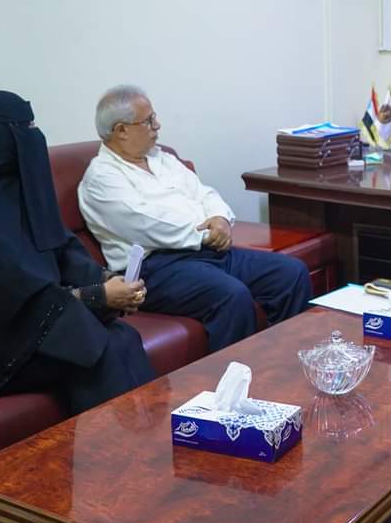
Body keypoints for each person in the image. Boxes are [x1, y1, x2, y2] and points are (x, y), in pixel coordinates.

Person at [0, 91, 154, 415]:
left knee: (122, 338)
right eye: (25, 128)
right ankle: (111, 450)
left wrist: (106, 280)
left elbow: (58, 247)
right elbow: (11, 304)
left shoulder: (14, 194)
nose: (34, 137)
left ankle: (156, 442)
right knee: (95, 353)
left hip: (9, 334)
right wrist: (99, 297)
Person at [78, 85, 311, 352]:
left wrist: (219, 219)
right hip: (157, 268)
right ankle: (234, 378)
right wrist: (207, 232)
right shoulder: (101, 178)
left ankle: (288, 363)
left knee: (291, 273)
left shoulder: (161, 158)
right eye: (149, 120)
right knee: (231, 295)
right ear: (121, 130)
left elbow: (204, 192)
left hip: (208, 251)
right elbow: (147, 224)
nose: (157, 125)